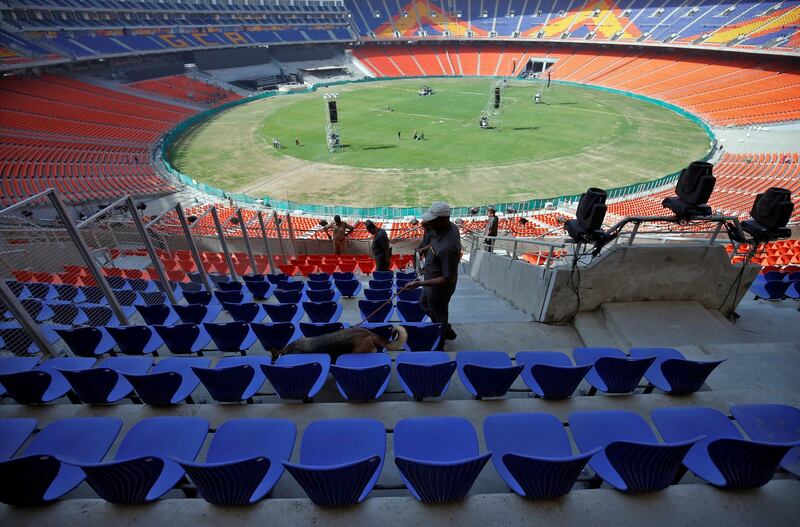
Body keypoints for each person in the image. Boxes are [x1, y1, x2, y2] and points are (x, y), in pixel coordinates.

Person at [406, 202, 460, 350]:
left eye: (432, 220)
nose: (428, 223)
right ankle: (447, 329)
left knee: (438, 317)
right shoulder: (445, 228)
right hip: (430, 280)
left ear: (443, 219)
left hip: (439, 288)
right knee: (423, 304)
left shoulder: (449, 247)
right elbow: (434, 244)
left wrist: (419, 284)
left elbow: (447, 278)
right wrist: (425, 248)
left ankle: (439, 345)